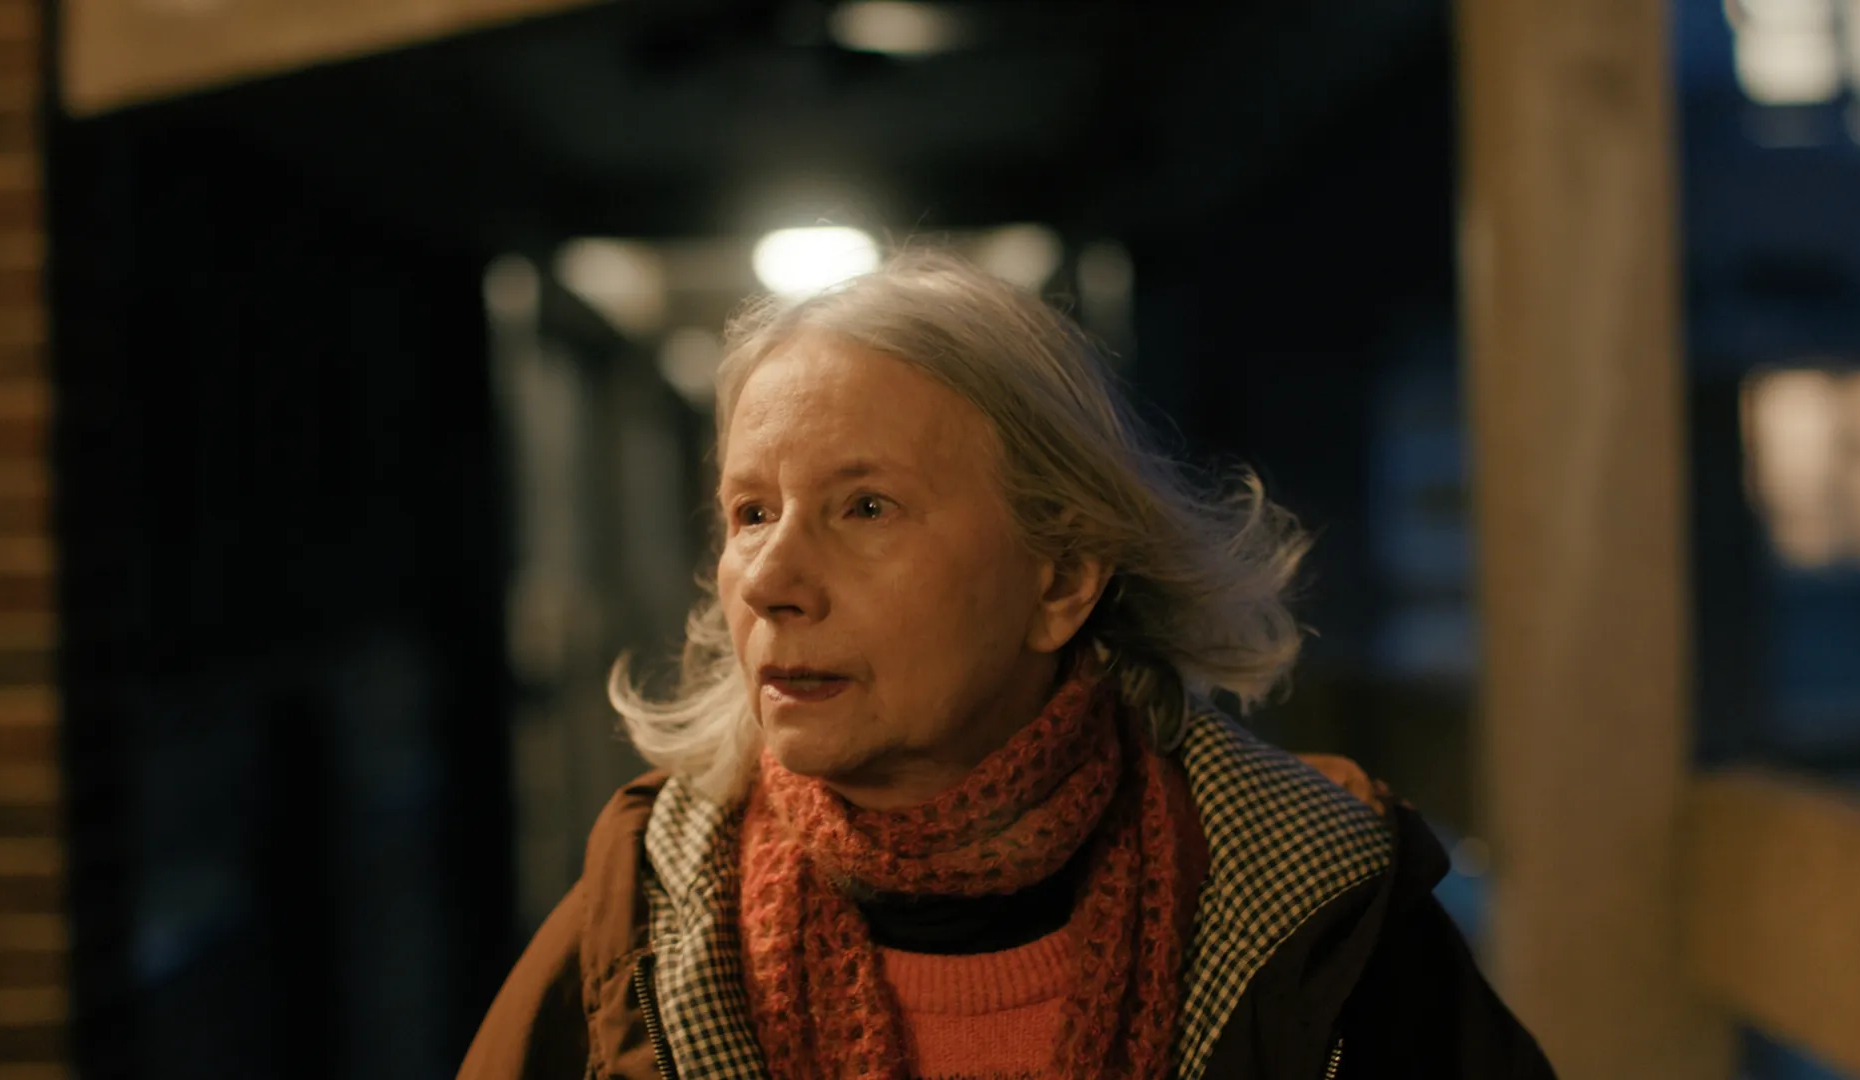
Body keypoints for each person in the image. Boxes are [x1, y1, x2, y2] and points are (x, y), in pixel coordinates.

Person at [457, 251, 1555, 1079]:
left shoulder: (1325, 904)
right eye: (752, 512)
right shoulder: (643, 917)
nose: (770, 577)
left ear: (1061, 581)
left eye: (865, 506)